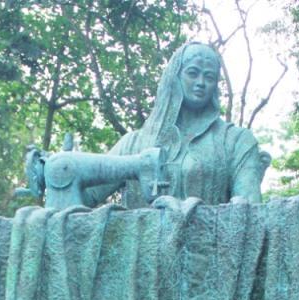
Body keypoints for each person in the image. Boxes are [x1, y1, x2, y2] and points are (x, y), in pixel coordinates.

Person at [85, 42, 267, 207]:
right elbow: (88, 195)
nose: (201, 83)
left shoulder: (237, 141)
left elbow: (250, 211)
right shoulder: (133, 143)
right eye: (192, 73)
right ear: (175, 77)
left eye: (209, 77)